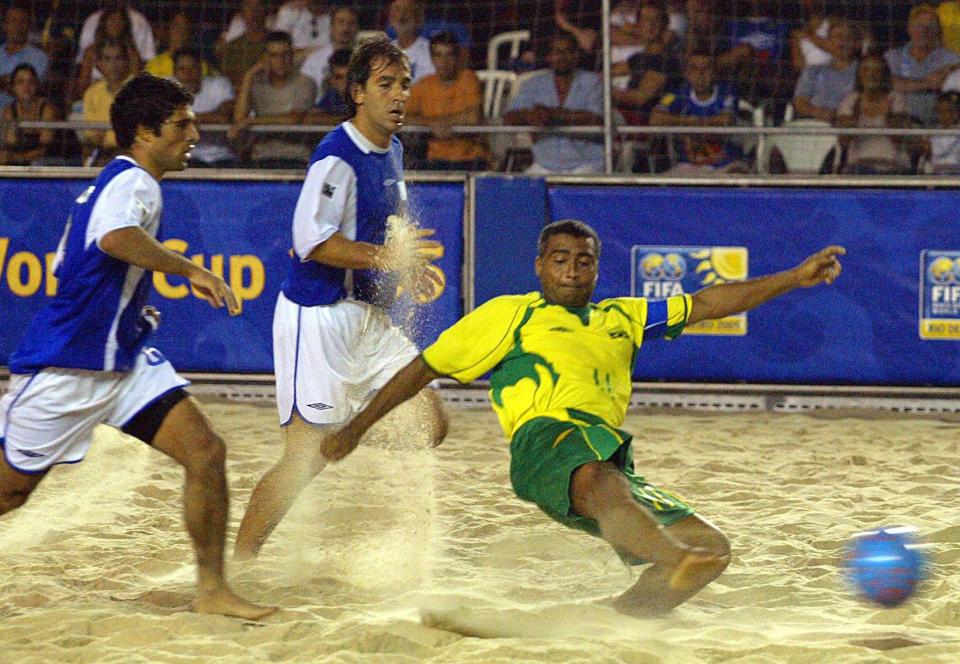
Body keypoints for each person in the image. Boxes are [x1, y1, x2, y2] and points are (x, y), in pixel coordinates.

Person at [321, 219, 844, 616]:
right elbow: (422, 368)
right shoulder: (511, 314)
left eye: (583, 261)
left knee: (712, 549)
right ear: (540, 266)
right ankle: (668, 556)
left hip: (608, 458)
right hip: (546, 446)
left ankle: (616, 620)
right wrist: (356, 427)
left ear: (596, 267)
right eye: (560, 260)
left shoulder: (624, 316)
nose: (572, 270)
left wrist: (796, 278)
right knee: (610, 488)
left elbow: (708, 302)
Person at [0, 73, 275, 621]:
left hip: (121, 360)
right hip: (69, 364)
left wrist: (123, 312)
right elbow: (113, 238)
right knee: (9, 495)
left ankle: (213, 590)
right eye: (182, 123)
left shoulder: (114, 181)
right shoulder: (133, 183)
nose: (195, 131)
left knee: (205, 451)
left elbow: (67, 261)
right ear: (145, 132)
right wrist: (191, 268)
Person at [233, 38, 448, 560]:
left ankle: (344, 434)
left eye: (404, 85)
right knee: (303, 461)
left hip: (367, 319)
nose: (399, 96)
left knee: (432, 423)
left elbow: (385, 233)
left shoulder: (393, 149)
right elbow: (312, 243)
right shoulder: (336, 156)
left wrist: (406, 267)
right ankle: (238, 565)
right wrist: (386, 260)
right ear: (356, 93)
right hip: (319, 317)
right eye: (385, 85)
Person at [503, 31, 604, 174]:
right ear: (549, 57)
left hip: (586, 164)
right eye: (557, 51)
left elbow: (597, 119)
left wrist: (554, 115)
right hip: (544, 164)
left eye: (568, 51)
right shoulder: (533, 83)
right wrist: (530, 115)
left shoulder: (591, 81)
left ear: (576, 55)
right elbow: (509, 118)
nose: (562, 56)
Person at [650, 50, 749, 175]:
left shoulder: (728, 92)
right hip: (689, 167)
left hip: (725, 164)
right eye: (694, 69)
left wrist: (690, 124)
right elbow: (655, 117)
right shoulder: (677, 94)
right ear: (687, 73)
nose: (700, 74)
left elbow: (725, 120)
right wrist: (688, 121)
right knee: (659, 186)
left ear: (714, 72)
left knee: (738, 174)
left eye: (705, 69)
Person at [230, 30, 316, 168]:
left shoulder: (305, 82)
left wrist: (252, 121)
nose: (280, 61)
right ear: (265, 58)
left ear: (292, 55)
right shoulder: (257, 83)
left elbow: (295, 118)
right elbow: (239, 119)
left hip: (296, 157)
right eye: (274, 55)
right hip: (261, 157)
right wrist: (248, 77)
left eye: (285, 55)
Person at [403, 30, 488, 171]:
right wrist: (431, 123)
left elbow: (472, 118)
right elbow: (402, 117)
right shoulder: (424, 85)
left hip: (470, 159)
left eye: (449, 55)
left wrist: (439, 123)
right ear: (431, 58)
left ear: (458, 57)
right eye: (438, 55)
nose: (444, 62)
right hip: (434, 160)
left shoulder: (468, 79)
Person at [835, 54, 914, 175]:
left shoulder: (896, 99)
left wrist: (887, 112)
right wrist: (856, 112)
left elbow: (898, 138)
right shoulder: (850, 100)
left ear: (884, 75)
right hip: (859, 166)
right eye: (866, 69)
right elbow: (844, 141)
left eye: (877, 71)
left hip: (893, 166)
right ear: (859, 74)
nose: (871, 75)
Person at [884, 3, 960, 126]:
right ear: (909, 28)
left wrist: (949, 69)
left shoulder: (950, 58)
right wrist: (928, 83)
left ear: (938, 30)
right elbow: (888, 82)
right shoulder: (893, 57)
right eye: (919, 25)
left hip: (938, 127)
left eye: (931, 26)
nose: (924, 30)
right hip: (901, 127)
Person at [171, 48, 239, 167]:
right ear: (174, 72)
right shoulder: (164, 88)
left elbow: (225, 117)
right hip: (185, 158)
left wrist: (187, 118)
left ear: (201, 69)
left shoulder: (219, 84)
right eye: (182, 69)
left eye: (193, 68)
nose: (188, 74)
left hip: (221, 157)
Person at [792, 19, 860, 123]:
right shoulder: (812, 71)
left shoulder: (862, 71)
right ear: (829, 41)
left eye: (849, 37)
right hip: (813, 125)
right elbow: (800, 101)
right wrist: (817, 113)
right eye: (838, 37)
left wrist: (837, 115)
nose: (843, 41)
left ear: (856, 43)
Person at [80, 39, 132, 166]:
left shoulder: (139, 89)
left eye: (118, 58)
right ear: (99, 64)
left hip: (132, 153)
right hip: (102, 153)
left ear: (126, 61)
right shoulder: (92, 93)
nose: (113, 64)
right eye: (107, 59)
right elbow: (92, 136)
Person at [0, 62, 56, 165]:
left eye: (31, 82)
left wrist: (18, 157)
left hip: (48, 161)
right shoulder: (9, 110)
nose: (26, 87)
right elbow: (11, 143)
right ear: (13, 87)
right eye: (20, 82)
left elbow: (46, 148)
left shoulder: (47, 109)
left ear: (37, 85)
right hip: (19, 159)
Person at [300, 5, 358, 98]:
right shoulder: (314, 59)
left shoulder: (364, 58)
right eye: (340, 22)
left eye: (351, 23)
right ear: (331, 26)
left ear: (357, 28)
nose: (345, 28)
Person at [0, 3, 48, 110]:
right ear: (4, 25)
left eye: (23, 21)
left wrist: (10, 82)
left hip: (21, 117)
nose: (18, 26)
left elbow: (27, 90)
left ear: (29, 26)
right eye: (13, 21)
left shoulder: (39, 57)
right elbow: (14, 84)